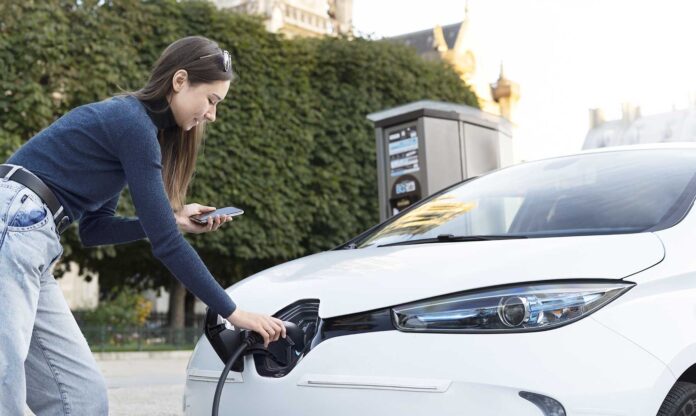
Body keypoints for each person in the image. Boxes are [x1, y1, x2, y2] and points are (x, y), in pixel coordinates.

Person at [0, 36, 286, 415]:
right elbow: (165, 244)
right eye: (212, 101)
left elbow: (95, 230)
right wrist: (232, 312)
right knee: (4, 384)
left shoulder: (132, 131)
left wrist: (175, 221)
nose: (212, 115)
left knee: (82, 398)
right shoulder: (131, 121)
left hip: (34, 238)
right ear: (180, 80)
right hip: (12, 221)